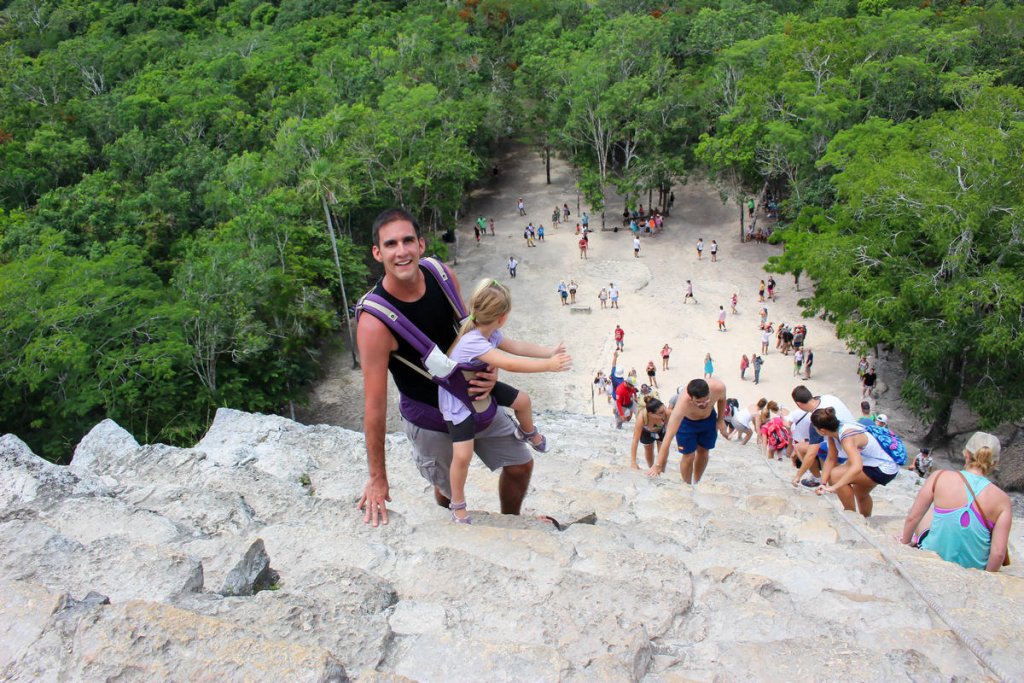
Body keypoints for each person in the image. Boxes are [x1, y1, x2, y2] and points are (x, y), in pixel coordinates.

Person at [356, 208, 533, 528]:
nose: (401, 251)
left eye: (408, 241)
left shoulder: (441, 275)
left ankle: (512, 523)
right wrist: (377, 478)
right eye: (391, 244)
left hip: (473, 396)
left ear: (421, 245)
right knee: (449, 490)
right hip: (429, 417)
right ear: (377, 252)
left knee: (520, 464)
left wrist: (490, 367)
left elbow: (470, 331)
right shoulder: (374, 323)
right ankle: (447, 508)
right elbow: (374, 405)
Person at [440, 280, 573, 523]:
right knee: (462, 455)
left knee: (523, 400)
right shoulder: (473, 341)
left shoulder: (488, 332)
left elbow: (517, 347)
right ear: (502, 317)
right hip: (459, 399)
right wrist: (548, 366)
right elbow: (509, 362)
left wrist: (549, 351)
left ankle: (528, 432)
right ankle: (458, 505)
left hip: (477, 385)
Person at [901, 432, 1010, 571]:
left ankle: (917, 541)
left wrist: (903, 543)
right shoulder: (1003, 500)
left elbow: (913, 518)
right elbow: (998, 553)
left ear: (966, 453)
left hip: (933, 557)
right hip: (975, 568)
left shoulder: (939, 476)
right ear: (994, 463)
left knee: (931, 510)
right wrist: (986, 578)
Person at [809, 407, 900, 518]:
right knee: (860, 493)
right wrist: (822, 484)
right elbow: (831, 458)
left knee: (835, 475)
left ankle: (850, 514)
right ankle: (866, 519)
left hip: (884, 467)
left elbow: (857, 467)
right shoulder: (835, 431)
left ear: (822, 430)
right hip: (878, 462)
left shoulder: (847, 438)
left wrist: (834, 486)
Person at [648, 378, 730, 488]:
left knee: (704, 451)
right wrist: (658, 464)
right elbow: (668, 438)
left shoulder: (718, 387)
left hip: (708, 419)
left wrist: (720, 420)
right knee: (689, 456)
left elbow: (722, 399)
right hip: (687, 423)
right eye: (699, 402)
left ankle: (697, 481)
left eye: (706, 400)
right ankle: (687, 484)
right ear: (691, 398)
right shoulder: (682, 404)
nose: (703, 404)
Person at [789, 386, 857, 488]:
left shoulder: (818, 419)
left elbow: (811, 454)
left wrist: (798, 476)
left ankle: (817, 478)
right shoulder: (828, 398)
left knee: (800, 448)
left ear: (798, 404)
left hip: (843, 449)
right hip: (856, 436)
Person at [630, 397, 668, 470]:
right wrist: (633, 462)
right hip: (646, 432)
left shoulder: (666, 412)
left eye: (664, 410)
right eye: (660, 413)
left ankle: (661, 470)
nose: (663, 414)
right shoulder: (642, 417)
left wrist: (659, 465)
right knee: (648, 451)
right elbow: (635, 440)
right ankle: (651, 467)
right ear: (650, 414)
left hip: (661, 431)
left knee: (663, 452)